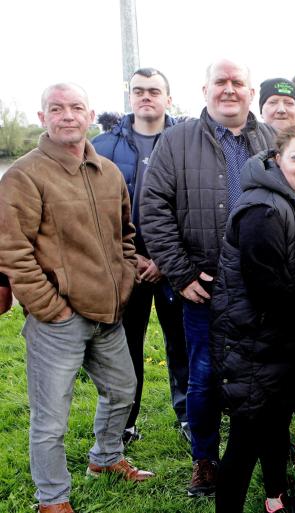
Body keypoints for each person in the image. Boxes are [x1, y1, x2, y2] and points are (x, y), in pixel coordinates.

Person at [0, 83, 154, 513]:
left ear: (89, 115)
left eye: (76, 108)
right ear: (42, 117)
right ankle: (52, 499)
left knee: (124, 390)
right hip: (57, 321)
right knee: (50, 421)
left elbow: (126, 236)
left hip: (109, 312)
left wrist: (123, 282)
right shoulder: (23, 176)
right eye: (56, 108)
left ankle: (104, 460)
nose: (67, 115)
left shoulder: (106, 171)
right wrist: (52, 307)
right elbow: (13, 251)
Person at [139, 58, 276, 497]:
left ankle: (262, 453)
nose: (230, 89)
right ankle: (205, 460)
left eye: (239, 82)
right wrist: (179, 273)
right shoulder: (177, 141)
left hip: (261, 286)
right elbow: (153, 207)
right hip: (204, 286)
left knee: (262, 374)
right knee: (204, 377)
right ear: (205, 90)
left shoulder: (272, 139)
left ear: (251, 93)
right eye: (221, 82)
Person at [210, 121, 295, 513]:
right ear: (277, 159)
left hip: (282, 337)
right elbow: (266, 288)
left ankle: (276, 497)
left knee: (276, 424)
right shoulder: (262, 210)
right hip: (254, 341)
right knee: (246, 438)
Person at [92, 67, 190, 445]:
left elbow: (194, 206)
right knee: (125, 345)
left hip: (176, 263)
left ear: (168, 98)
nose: (146, 96)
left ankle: (186, 414)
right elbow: (96, 212)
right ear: (129, 97)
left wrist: (167, 259)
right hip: (124, 264)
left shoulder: (188, 141)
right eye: (138, 91)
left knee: (180, 343)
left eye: (154, 90)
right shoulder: (104, 146)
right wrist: (131, 258)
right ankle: (125, 422)